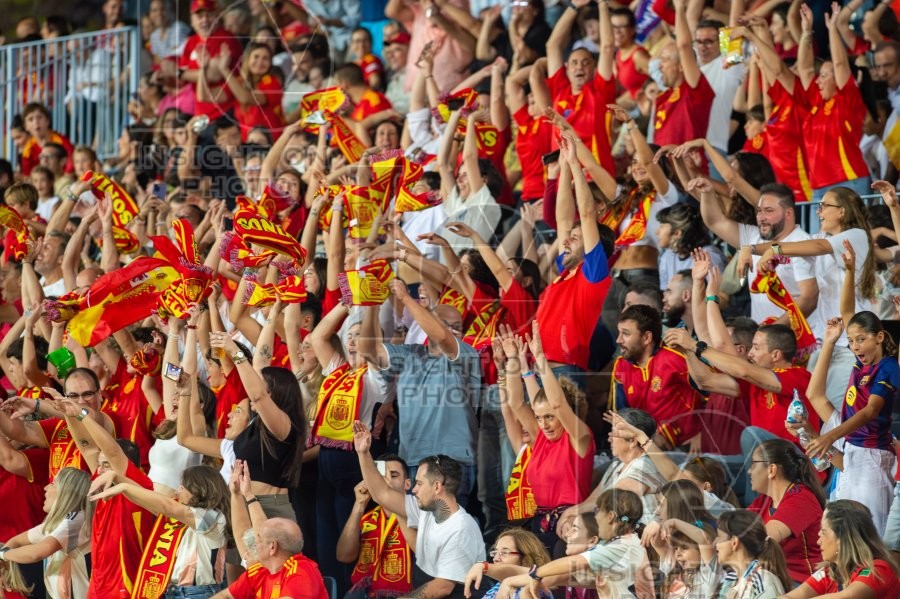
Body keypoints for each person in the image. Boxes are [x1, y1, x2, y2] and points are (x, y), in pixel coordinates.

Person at [359, 281, 481, 503]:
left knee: (446, 524)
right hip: (412, 461)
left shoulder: (467, 355)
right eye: (446, 324)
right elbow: (368, 351)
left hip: (451, 463)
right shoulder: (409, 354)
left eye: (457, 327)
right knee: (414, 525)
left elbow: (442, 337)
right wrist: (372, 306)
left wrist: (405, 298)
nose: (452, 331)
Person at [755, 186, 876, 409]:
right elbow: (795, 249)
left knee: (839, 412)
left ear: (842, 211)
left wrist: (773, 250)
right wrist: (751, 249)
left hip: (851, 344)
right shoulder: (823, 237)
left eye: (824, 206)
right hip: (826, 340)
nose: (818, 211)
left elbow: (817, 247)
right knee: (810, 407)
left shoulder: (855, 236)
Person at [352, 421, 485, 599]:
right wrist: (363, 453)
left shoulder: (461, 528)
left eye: (420, 484)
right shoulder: (427, 509)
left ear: (437, 487)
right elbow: (382, 494)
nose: (414, 489)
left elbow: (442, 587)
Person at [497, 321, 594, 548]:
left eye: (549, 417)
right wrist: (513, 360)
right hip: (539, 524)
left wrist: (540, 359)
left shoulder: (579, 437)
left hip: (570, 525)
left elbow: (558, 404)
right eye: (539, 418)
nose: (544, 425)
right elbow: (516, 403)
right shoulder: (540, 436)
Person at [804, 312, 900, 537]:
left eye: (861, 339)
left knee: (871, 537)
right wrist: (829, 341)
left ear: (879, 337)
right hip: (851, 447)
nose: (855, 346)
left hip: (873, 456)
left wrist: (830, 436)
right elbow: (813, 395)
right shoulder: (860, 365)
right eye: (850, 341)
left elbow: (870, 411)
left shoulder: (888, 367)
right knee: (845, 537)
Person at [90, 464, 229, 596]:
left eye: (182, 487)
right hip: (175, 591)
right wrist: (117, 478)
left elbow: (167, 506)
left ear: (199, 489)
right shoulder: (186, 515)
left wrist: (123, 486)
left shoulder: (213, 517)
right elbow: (146, 498)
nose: (177, 491)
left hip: (198, 593)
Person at [696, 180, 818, 328]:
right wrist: (707, 193)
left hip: (795, 336)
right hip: (761, 335)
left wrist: (774, 330)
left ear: (788, 213)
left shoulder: (802, 244)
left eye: (769, 211)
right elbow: (715, 221)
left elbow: (809, 299)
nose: (761, 217)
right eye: (759, 211)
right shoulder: (753, 237)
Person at [495, 489, 653, 599]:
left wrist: (534, 576)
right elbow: (561, 576)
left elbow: (574, 562)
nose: (595, 517)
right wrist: (498, 573)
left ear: (610, 516)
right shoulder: (620, 544)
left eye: (597, 511)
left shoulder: (622, 545)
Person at [796, 3, 871, 200]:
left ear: (837, 79)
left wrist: (832, 29)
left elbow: (839, 63)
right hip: (818, 187)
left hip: (849, 181)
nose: (817, 80)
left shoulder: (847, 99)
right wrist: (806, 32)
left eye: (823, 76)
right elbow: (805, 69)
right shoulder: (816, 101)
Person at [612, 305, 703, 449]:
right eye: (619, 333)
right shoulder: (621, 366)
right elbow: (621, 415)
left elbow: (714, 395)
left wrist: (703, 434)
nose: (618, 340)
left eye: (626, 334)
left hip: (687, 446)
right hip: (645, 446)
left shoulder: (676, 358)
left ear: (646, 337)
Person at [0, 467, 90, 599]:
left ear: (66, 491)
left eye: (53, 483)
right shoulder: (55, 523)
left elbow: (36, 553)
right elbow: (16, 541)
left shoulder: (77, 519)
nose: (46, 487)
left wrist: (3, 554)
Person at [746, 439, 825, 584]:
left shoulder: (801, 498)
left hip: (802, 583)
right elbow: (737, 528)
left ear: (771, 469)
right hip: (773, 579)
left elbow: (764, 539)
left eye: (753, 465)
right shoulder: (764, 500)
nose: (749, 471)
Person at [784, 500, 900, 598]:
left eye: (824, 532)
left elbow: (847, 597)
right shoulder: (830, 573)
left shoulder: (878, 569)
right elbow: (793, 596)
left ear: (843, 539)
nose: (818, 541)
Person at [337, 454, 413, 599]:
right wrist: (359, 505)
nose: (386, 481)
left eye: (394, 475)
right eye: (381, 476)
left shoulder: (418, 514)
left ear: (407, 484)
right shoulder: (367, 518)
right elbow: (344, 556)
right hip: (365, 592)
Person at [212, 517, 329, 599]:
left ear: (272, 546)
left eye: (258, 539)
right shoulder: (258, 571)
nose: (255, 544)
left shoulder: (302, 570)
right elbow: (225, 596)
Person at [714, 509, 792, 598]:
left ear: (734, 542)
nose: (715, 543)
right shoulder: (730, 581)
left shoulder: (763, 582)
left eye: (719, 537)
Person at [462, 529, 552, 599]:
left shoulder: (534, 589)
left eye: (504, 553)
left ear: (525, 557)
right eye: (495, 552)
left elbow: (510, 570)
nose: (496, 558)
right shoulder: (498, 586)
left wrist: (483, 566)